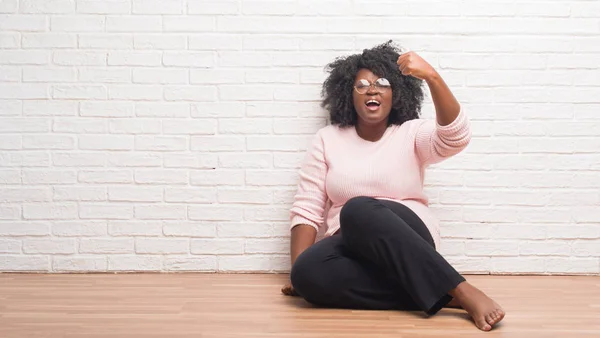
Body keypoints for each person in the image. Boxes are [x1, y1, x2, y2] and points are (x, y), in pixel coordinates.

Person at [281, 41, 505, 332]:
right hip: (350, 244)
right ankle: (441, 294)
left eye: (382, 83)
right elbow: (307, 209)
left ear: (396, 93)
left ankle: (461, 289)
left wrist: (433, 77)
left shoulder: (411, 132)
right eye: (361, 85)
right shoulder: (327, 138)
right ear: (349, 94)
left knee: (358, 209)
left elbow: (455, 137)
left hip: (409, 235)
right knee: (309, 275)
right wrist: (298, 272)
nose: (371, 90)